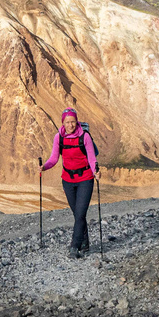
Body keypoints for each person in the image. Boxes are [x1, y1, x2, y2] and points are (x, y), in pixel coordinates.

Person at [39, 108, 98, 258]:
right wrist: (44, 167)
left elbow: (92, 158)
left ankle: (74, 246)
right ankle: (85, 243)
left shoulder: (85, 137)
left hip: (85, 178)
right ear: (63, 123)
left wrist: (96, 171)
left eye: (73, 122)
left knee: (80, 214)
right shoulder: (58, 137)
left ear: (77, 121)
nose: (70, 125)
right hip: (67, 180)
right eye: (67, 122)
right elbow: (53, 158)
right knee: (77, 214)